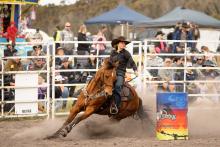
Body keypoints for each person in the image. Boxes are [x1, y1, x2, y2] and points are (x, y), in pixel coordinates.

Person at [109, 36, 138, 114]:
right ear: (118, 44)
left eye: (124, 43)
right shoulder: (112, 52)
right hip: (111, 72)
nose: (123, 44)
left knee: (118, 85)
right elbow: (109, 62)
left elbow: (132, 62)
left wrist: (135, 70)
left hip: (120, 73)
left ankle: (116, 106)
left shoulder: (126, 53)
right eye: (122, 43)